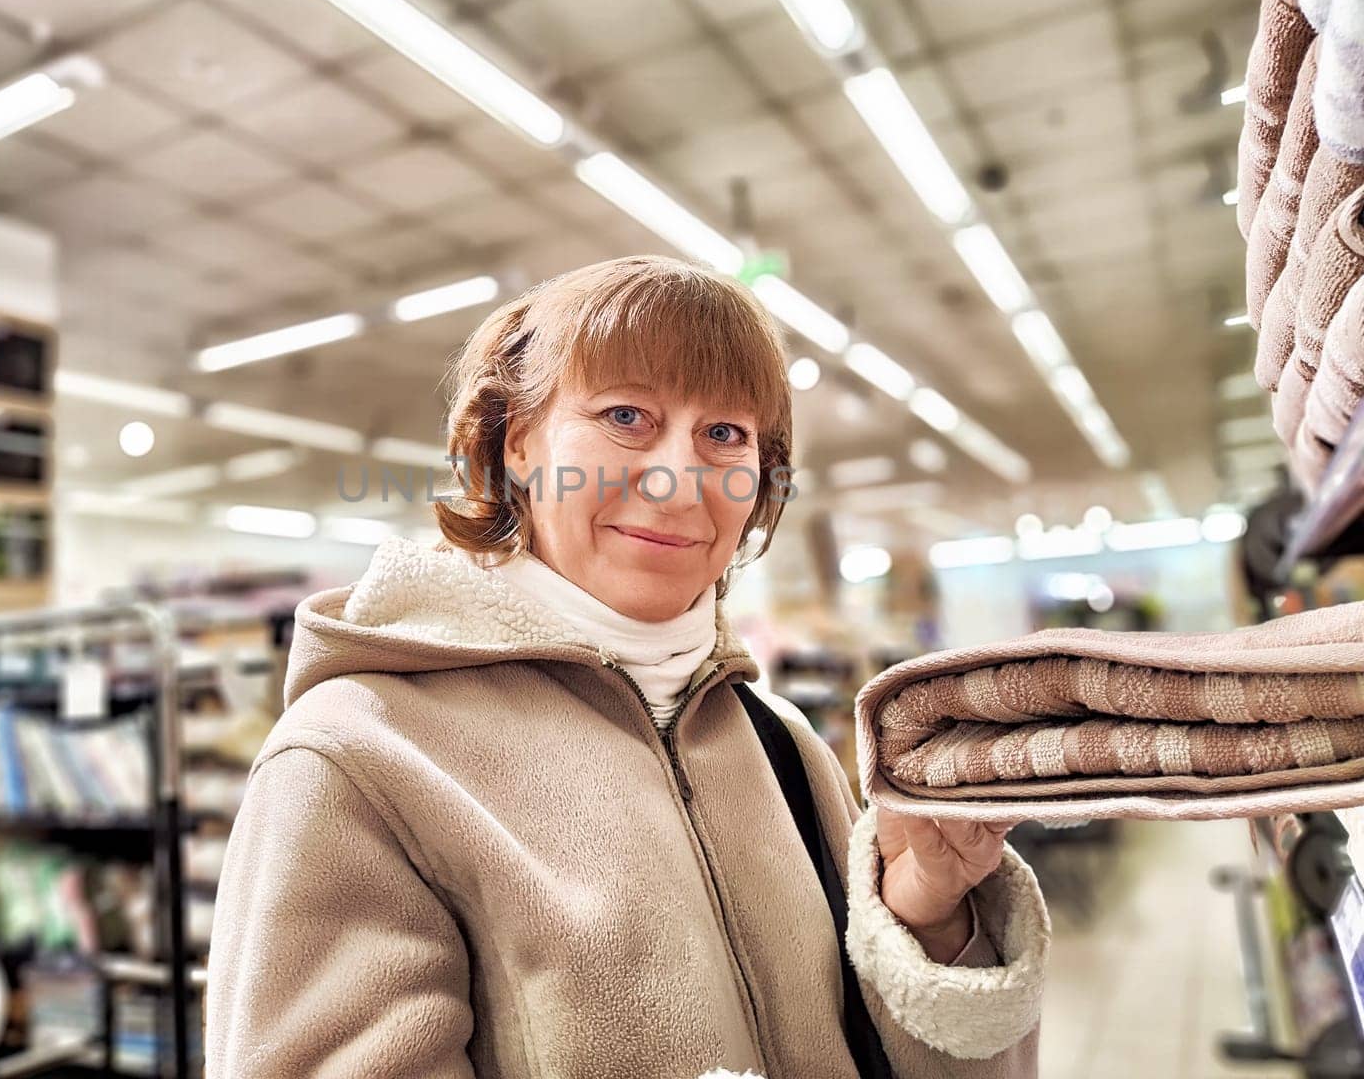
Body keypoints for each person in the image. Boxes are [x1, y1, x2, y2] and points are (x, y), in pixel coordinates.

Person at [205, 255, 1050, 1078]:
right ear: (517, 446)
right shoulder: (360, 759)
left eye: (724, 435)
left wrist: (928, 916)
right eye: (625, 417)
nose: (680, 481)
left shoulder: (784, 746)